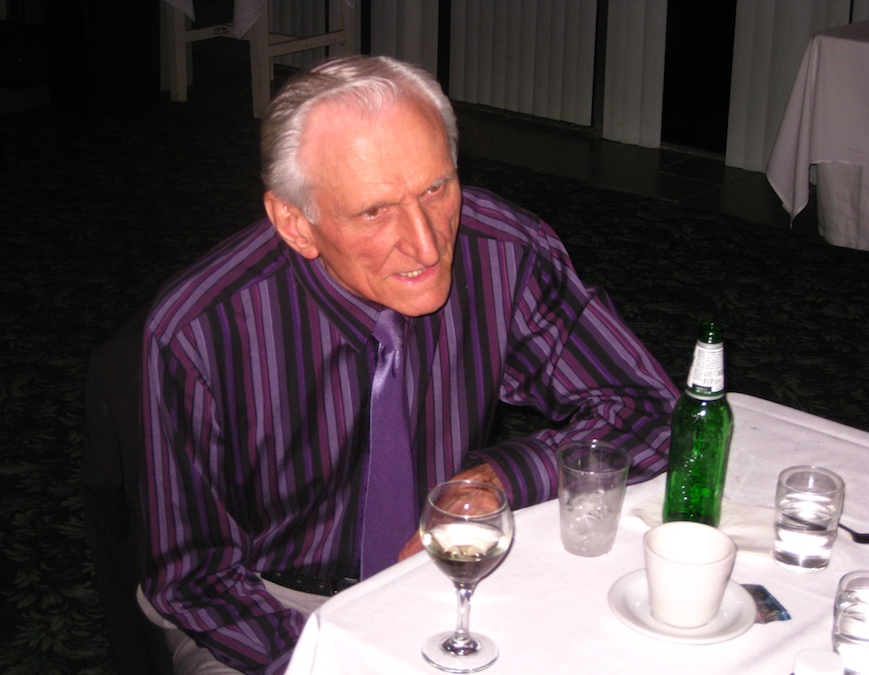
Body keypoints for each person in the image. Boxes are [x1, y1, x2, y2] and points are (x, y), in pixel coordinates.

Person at [138, 55, 679, 674]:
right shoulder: (200, 331)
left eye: (436, 189)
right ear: (295, 223)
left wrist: (500, 479)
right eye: (374, 211)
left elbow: (648, 410)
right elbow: (194, 579)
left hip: (451, 569)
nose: (427, 244)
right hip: (269, 603)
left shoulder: (505, 253)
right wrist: (340, 661)